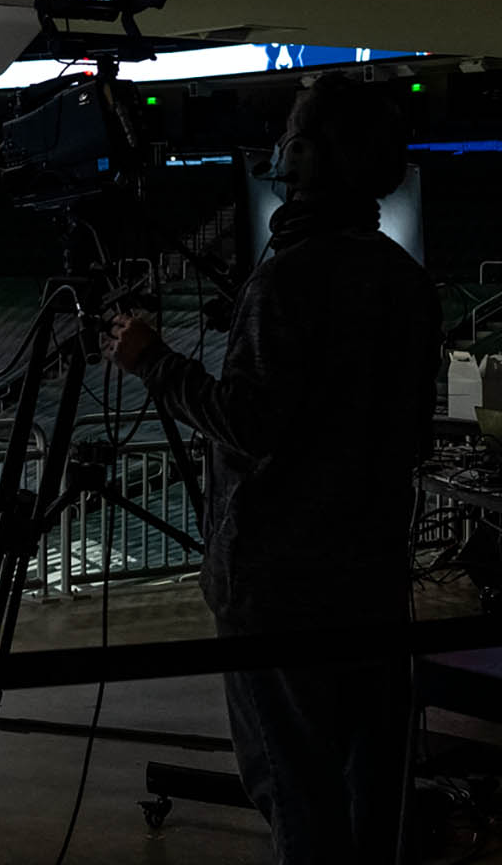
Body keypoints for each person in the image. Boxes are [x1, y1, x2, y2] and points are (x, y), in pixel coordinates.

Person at [102, 74, 442, 865]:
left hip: (279, 595)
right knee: (368, 792)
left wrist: (153, 361)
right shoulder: (406, 281)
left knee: (297, 789)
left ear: (306, 157)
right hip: (374, 581)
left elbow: (250, 422)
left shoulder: (289, 277)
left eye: (291, 135)